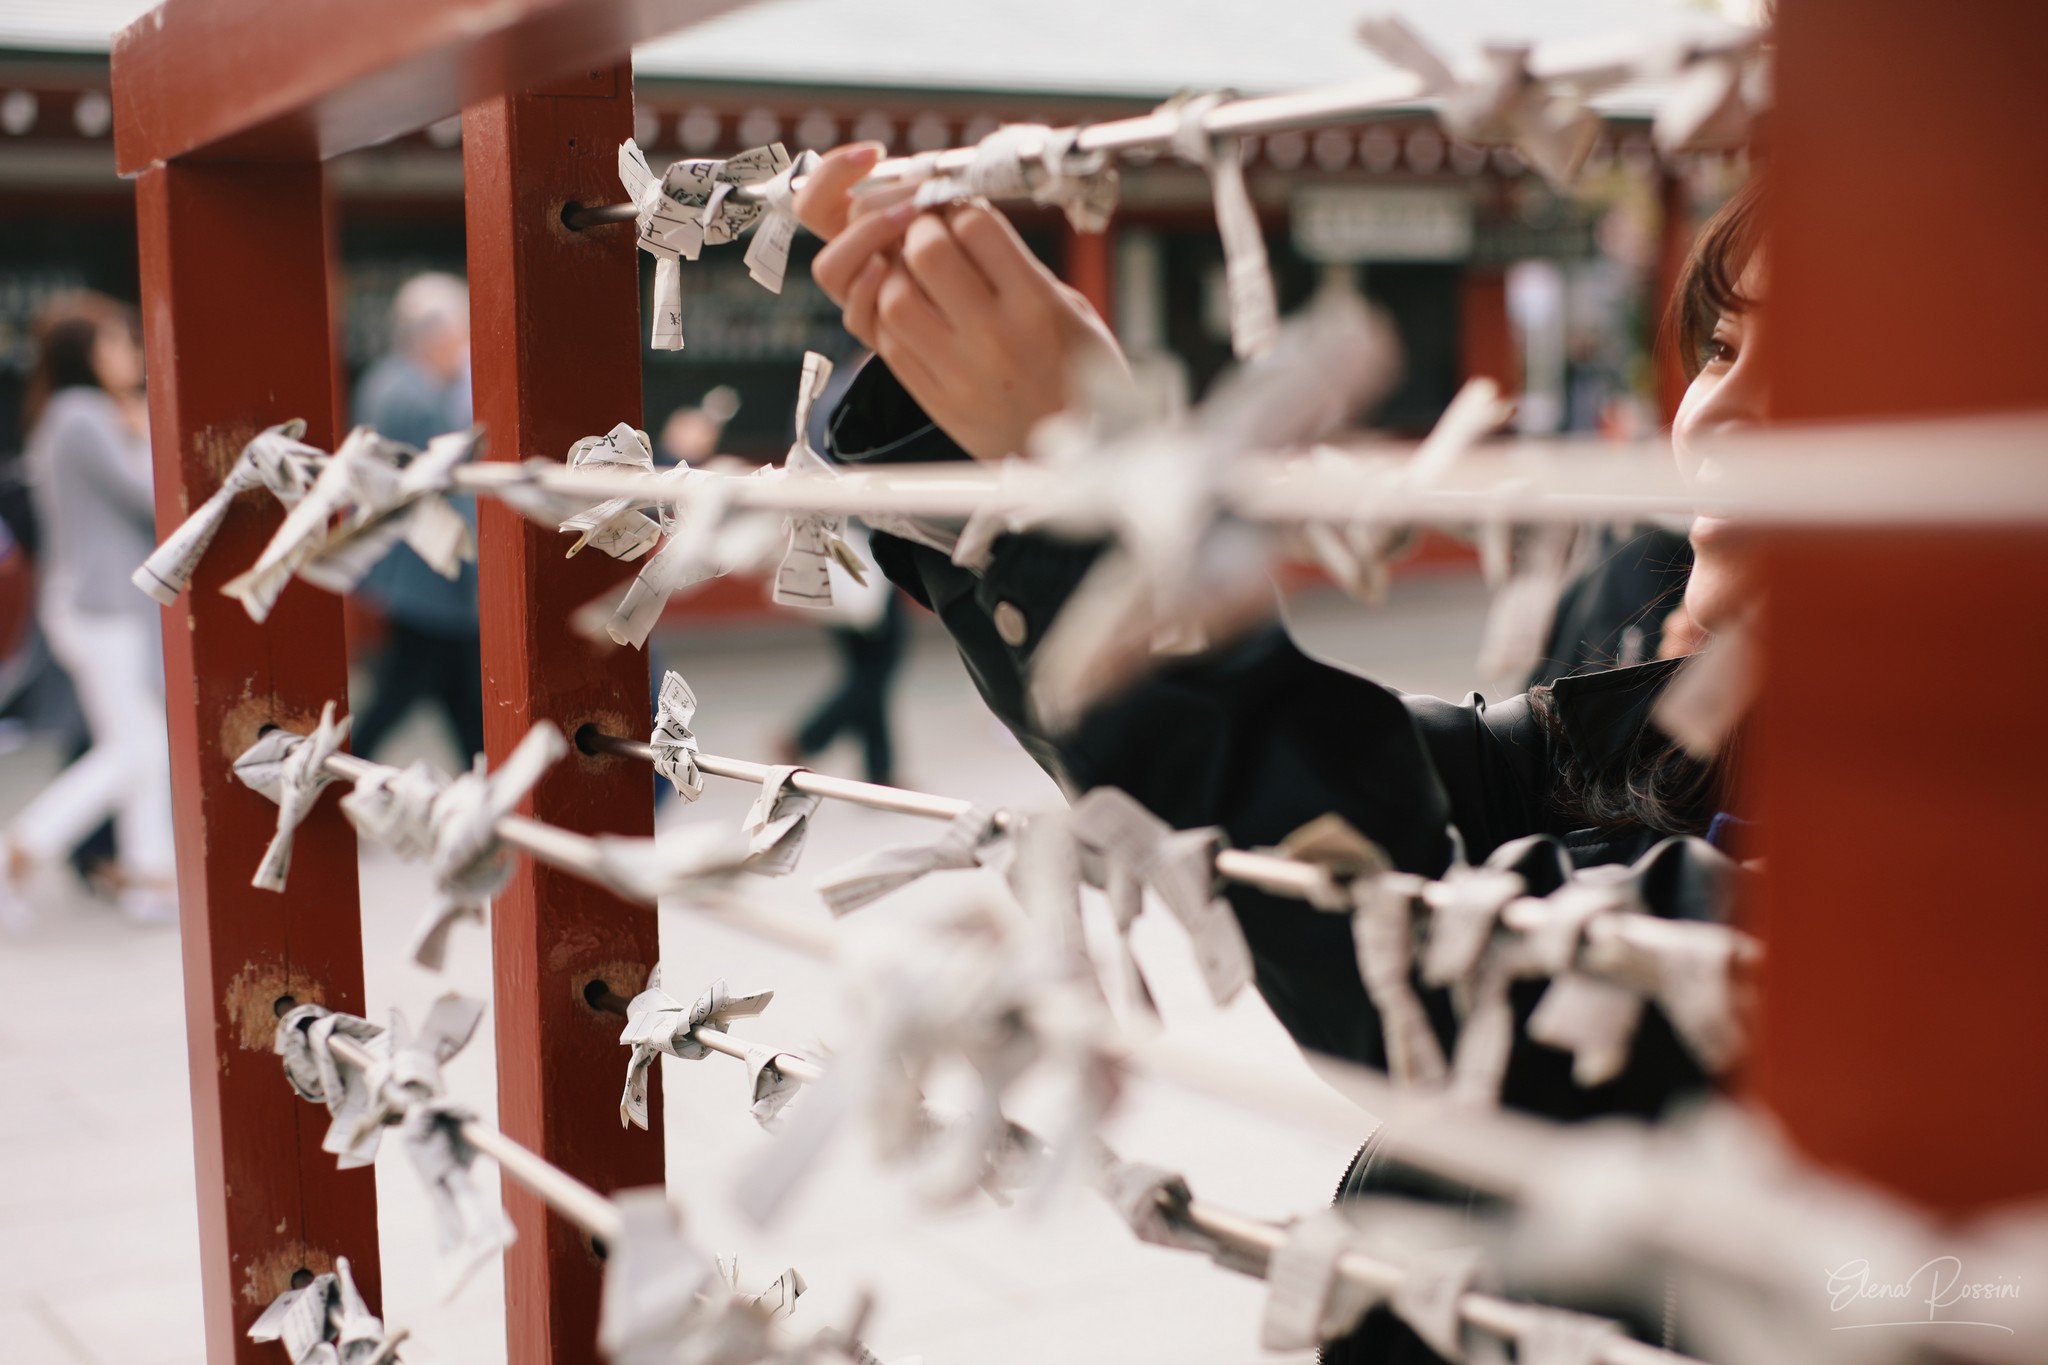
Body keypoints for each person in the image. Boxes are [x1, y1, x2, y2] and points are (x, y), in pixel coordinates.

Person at [793, 149, 1762, 1352]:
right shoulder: (1689, 709)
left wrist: (1093, 502)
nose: (1713, 418)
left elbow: (1482, 994)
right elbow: (1420, 787)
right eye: (1719, 350)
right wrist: (1013, 487)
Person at [0, 293, 175, 927]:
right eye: (116, 342)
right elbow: (152, 497)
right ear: (84, 353)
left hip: (102, 602)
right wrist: (145, 430)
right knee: (134, 749)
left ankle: (150, 884)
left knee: (140, 747)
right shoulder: (82, 414)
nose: (130, 353)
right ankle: (21, 846)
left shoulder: (72, 413)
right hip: (102, 605)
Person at [347, 273, 484, 765]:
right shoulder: (416, 396)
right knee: (405, 689)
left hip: (413, 570)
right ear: (432, 335)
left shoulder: (387, 380)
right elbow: (450, 488)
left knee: (457, 695)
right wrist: (475, 561)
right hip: (430, 571)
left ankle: (483, 778)